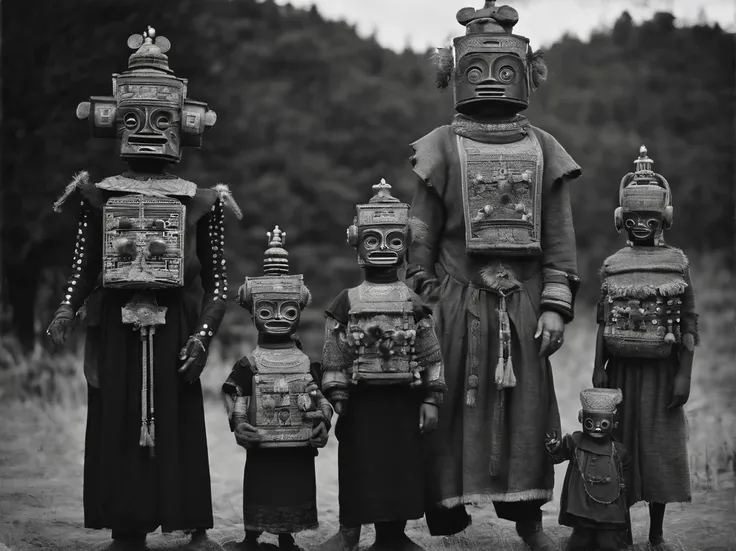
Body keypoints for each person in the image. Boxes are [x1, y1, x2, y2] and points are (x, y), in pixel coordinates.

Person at [46, 27, 240, 551]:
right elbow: (84, 268)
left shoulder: (203, 201)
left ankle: (190, 522)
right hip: (113, 328)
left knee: (177, 421)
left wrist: (201, 337)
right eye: (133, 119)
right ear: (113, 121)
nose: (149, 131)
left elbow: (219, 283)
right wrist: (67, 308)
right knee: (115, 421)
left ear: (185, 124)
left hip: (176, 328)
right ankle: (125, 527)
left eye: (162, 119)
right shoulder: (96, 197)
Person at [407, 2, 583, 549]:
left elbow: (559, 236)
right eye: (475, 70)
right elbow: (419, 237)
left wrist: (554, 305)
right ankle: (448, 518)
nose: (489, 82)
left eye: (505, 71)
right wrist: (424, 297)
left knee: (526, 411)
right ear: (455, 73)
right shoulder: (439, 146)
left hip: (523, 307)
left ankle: (528, 521)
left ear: (526, 74)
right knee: (449, 410)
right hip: (454, 304)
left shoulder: (544, 147)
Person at [318, 180, 446, 551]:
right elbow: (334, 346)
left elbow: (430, 351)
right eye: (373, 240)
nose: (384, 249)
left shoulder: (414, 302)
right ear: (356, 243)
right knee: (359, 466)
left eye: (394, 240)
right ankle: (349, 533)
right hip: (360, 403)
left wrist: (432, 398)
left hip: (405, 403)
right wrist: (336, 390)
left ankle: (393, 536)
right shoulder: (348, 300)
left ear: (407, 244)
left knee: (401, 468)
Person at [594, 146, 696, 548]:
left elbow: (688, 320)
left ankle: (656, 533)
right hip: (619, 371)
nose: (640, 225)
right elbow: (602, 319)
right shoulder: (612, 262)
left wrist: (684, 374)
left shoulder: (677, 263)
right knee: (617, 447)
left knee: (657, 448)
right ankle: (621, 531)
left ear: (663, 219)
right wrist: (597, 367)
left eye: (649, 219)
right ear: (621, 219)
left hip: (661, 372)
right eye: (633, 218)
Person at [222, 226, 333, 551]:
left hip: (297, 445)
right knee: (259, 486)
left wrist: (322, 421)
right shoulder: (249, 364)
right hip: (261, 443)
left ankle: (287, 538)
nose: (277, 319)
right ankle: (252, 537)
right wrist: (240, 422)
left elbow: (321, 397)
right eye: (267, 311)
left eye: (287, 311)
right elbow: (236, 394)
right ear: (253, 310)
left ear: (299, 309)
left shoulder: (305, 363)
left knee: (292, 488)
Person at [545, 388, 632, 551]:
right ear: (582, 419)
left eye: (603, 424)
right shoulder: (575, 442)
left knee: (608, 544)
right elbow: (556, 458)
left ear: (614, 423)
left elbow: (627, 476)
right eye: (590, 423)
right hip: (582, 509)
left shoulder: (618, 451)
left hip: (609, 511)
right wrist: (555, 448)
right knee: (579, 542)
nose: (597, 428)